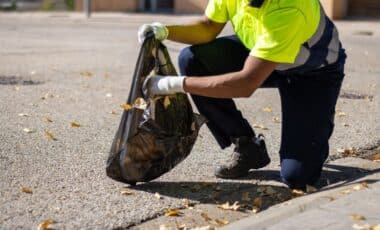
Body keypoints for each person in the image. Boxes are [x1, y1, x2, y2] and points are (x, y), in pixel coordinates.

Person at [138, 0, 346, 190]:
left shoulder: (290, 7)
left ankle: (316, 123)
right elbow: (208, 27)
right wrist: (163, 31)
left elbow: (246, 83)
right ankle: (247, 146)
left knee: (298, 177)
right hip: (263, 52)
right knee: (193, 60)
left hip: (311, 72)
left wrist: (173, 84)